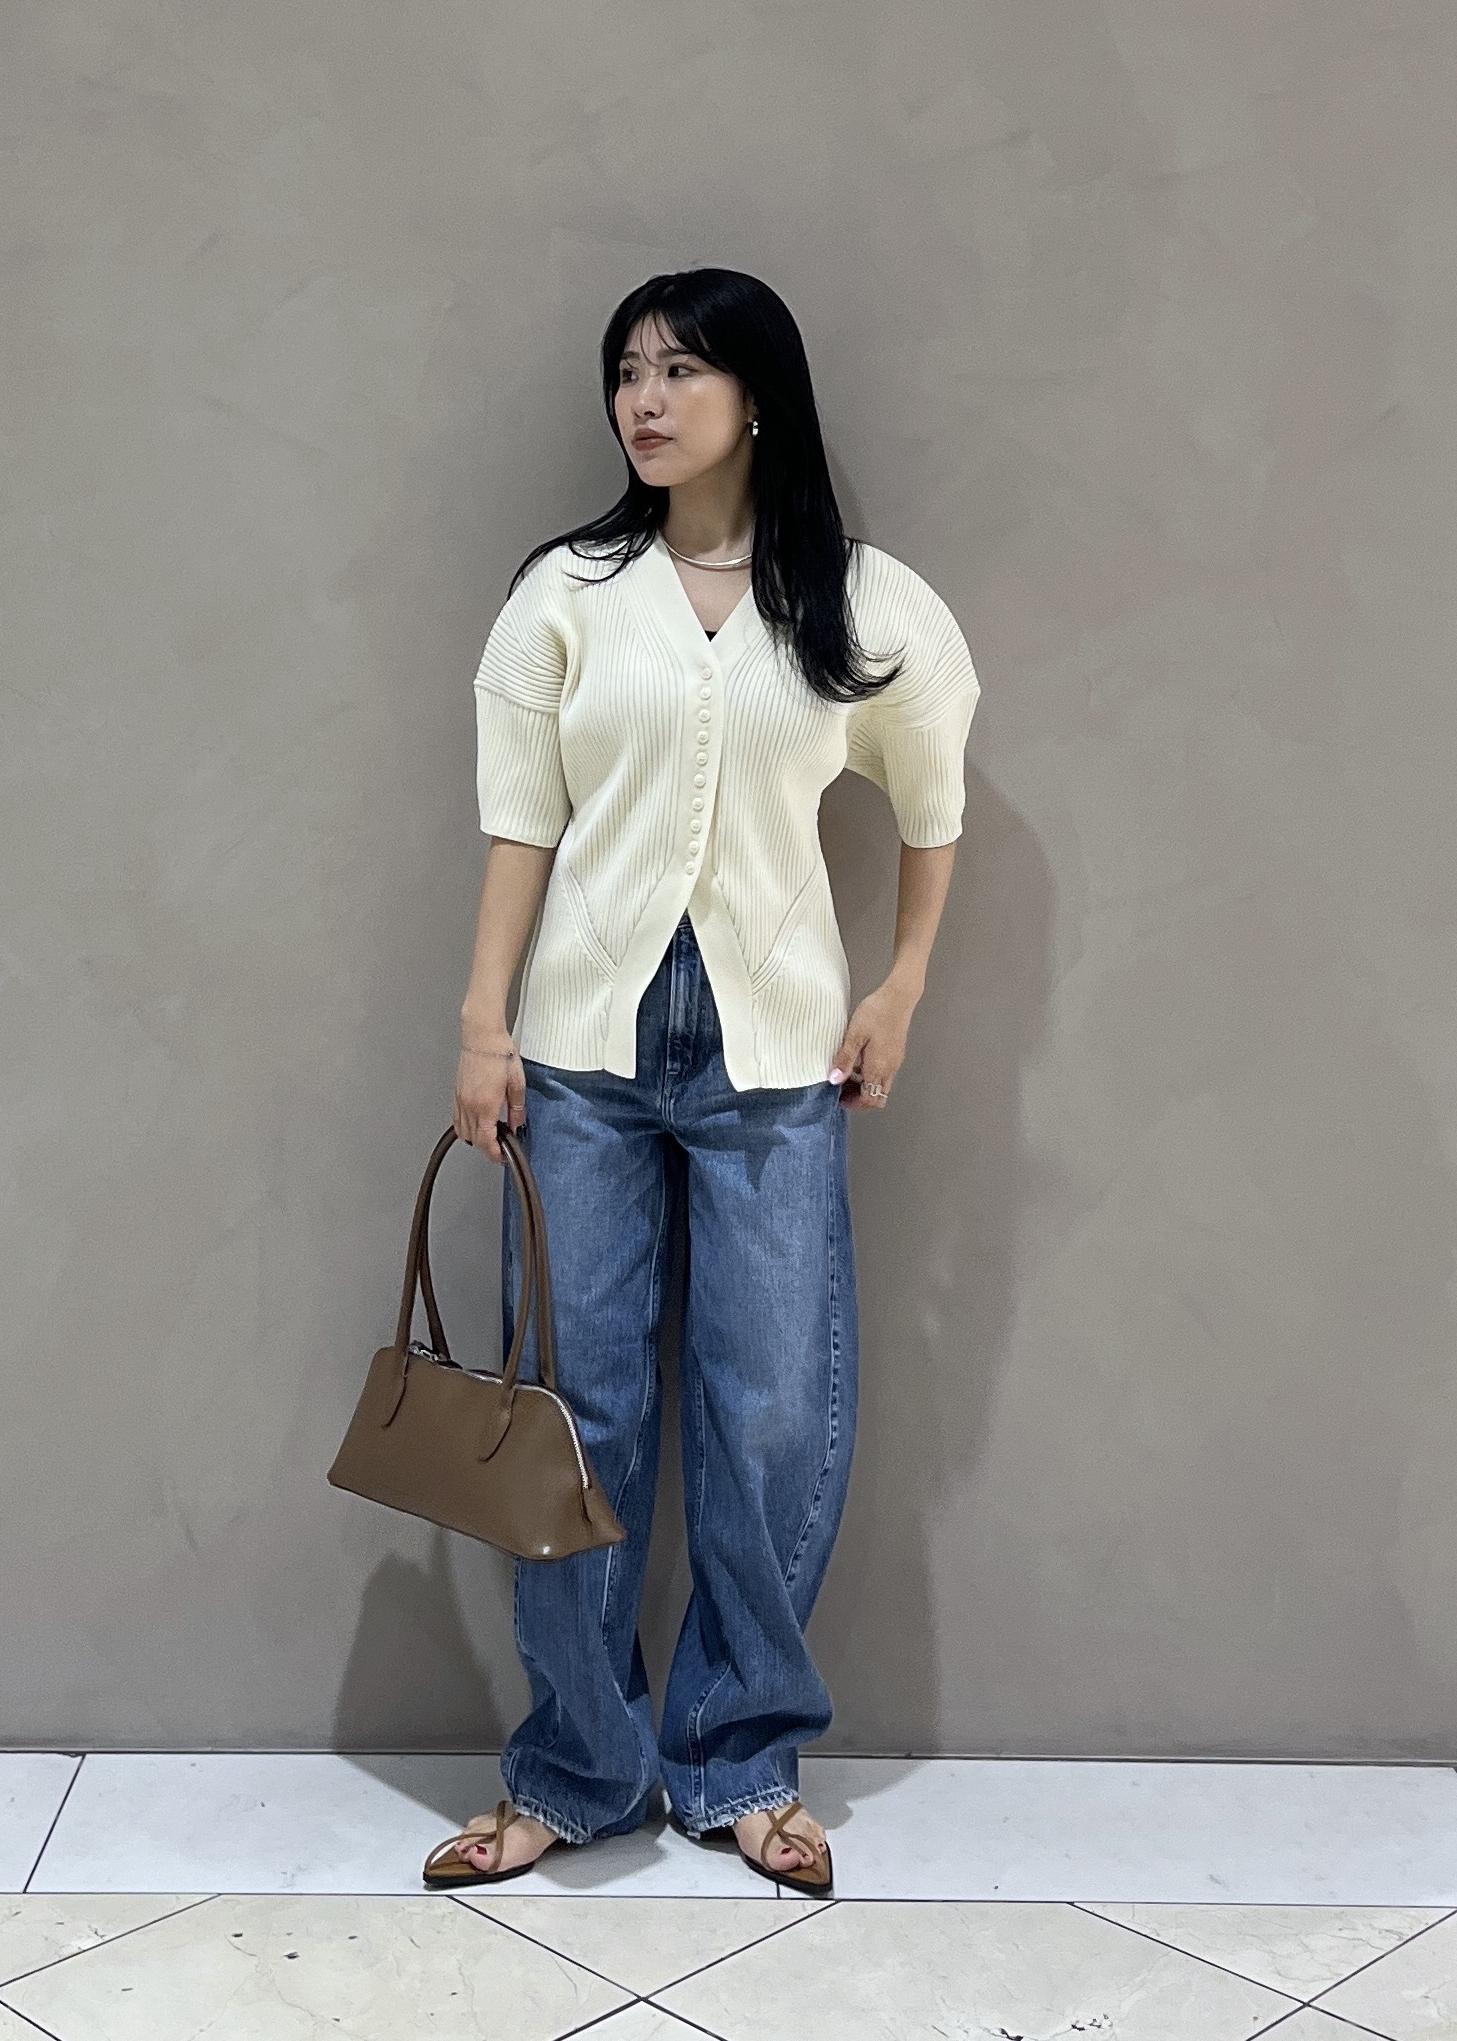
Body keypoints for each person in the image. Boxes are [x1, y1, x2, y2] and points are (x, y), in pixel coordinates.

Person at [431, 267, 980, 1895]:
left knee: (767, 1411)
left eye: (680, 369)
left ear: (757, 396)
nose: (645, 400)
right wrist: (481, 1023)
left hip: (776, 1051)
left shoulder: (862, 603)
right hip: (581, 1056)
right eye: (626, 371)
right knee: (574, 1409)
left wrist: (899, 987)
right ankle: (575, 1765)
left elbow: (931, 805)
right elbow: (520, 822)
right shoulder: (566, 593)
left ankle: (739, 1757)